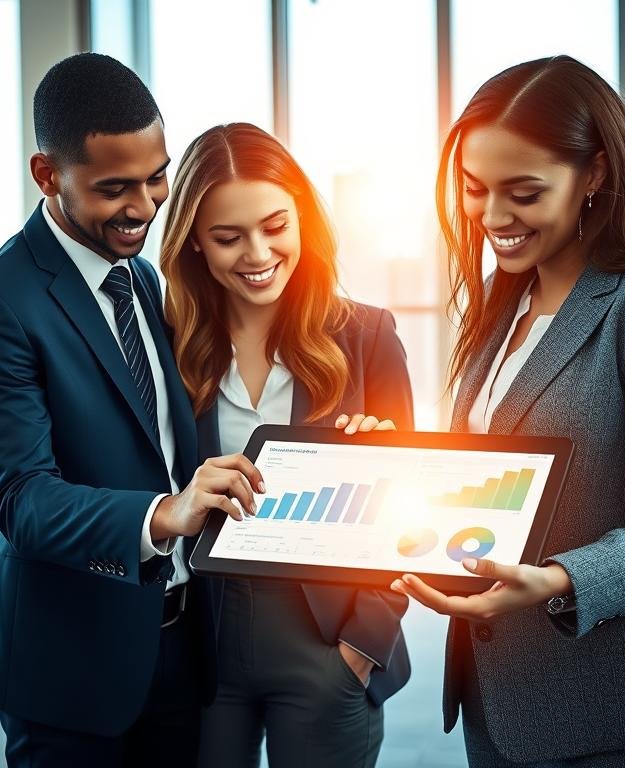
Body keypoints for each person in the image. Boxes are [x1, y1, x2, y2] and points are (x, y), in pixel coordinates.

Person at [390, 55, 625, 766]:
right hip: (498, 694)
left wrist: (558, 581)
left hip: (615, 705)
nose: (493, 218)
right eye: (474, 189)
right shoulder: (503, 300)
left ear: (597, 174)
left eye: (523, 192)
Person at [0, 53, 263, 767]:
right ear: (48, 175)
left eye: (157, 179)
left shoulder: (144, 279)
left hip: (180, 645)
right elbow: (22, 501)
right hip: (69, 665)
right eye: (115, 188)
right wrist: (162, 514)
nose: (145, 207)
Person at [159, 123, 413, 768]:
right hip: (204, 639)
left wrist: (362, 645)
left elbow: (413, 508)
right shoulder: (167, 343)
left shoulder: (367, 335)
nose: (257, 252)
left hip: (326, 640)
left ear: (303, 219)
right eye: (228, 236)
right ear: (193, 238)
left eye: (275, 225)